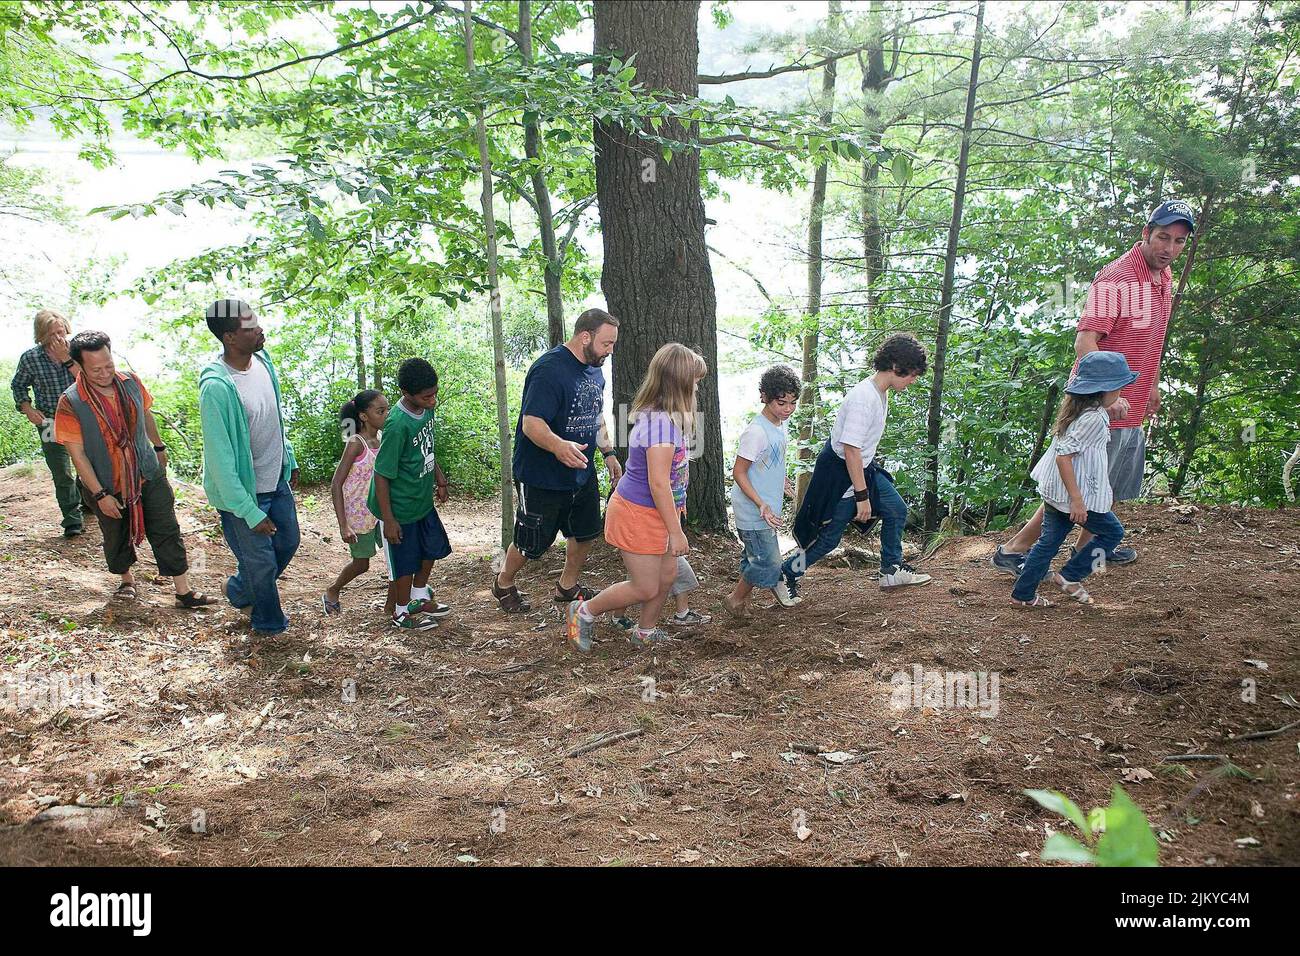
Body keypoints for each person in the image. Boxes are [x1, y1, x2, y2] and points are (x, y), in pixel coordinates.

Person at [993, 200, 1196, 575]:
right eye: (1163, 237)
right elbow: (1086, 343)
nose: (1170, 249)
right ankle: (1013, 549)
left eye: (1179, 241)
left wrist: (1150, 385)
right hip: (1099, 403)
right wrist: (1108, 399)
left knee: (1110, 481)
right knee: (1078, 485)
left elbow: (1153, 338)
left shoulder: (1164, 278)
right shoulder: (1116, 278)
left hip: (1130, 399)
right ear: (1146, 234)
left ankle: (1089, 551)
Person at [53, 331, 215, 608]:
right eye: (96, 369)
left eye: (109, 365)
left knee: (166, 528)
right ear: (79, 366)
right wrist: (100, 494)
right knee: (115, 534)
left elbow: (146, 413)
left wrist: (159, 446)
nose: (105, 373)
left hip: (146, 473)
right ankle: (126, 581)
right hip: (105, 480)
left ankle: (183, 591)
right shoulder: (71, 402)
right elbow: (77, 454)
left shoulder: (130, 382)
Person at [564, 343, 705, 652]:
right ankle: (583, 612)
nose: (697, 385)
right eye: (694, 379)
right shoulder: (661, 425)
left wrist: (675, 516)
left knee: (666, 576)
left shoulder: (667, 417)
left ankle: (645, 630)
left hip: (661, 512)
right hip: (638, 512)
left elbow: (669, 480)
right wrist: (676, 530)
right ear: (679, 381)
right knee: (644, 586)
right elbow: (657, 483)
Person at [781, 333, 932, 600]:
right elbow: (851, 449)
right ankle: (787, 572)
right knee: (827, 540)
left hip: (862, 468)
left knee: (896, 508)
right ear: (896, 366)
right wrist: (862, 497)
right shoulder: (865, 398)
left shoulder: (879, 392)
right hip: (841, 474)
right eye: (912, 374)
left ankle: (891, 569)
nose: (913, 380)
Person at [492, 309, 622, 613]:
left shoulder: (595, 368)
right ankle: (504, 581)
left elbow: (595, 414)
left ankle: (567, 586)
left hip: (581, 469)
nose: (610, 351)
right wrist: (558, 446)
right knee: (532, 541)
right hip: (542, 474)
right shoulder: (549, 370)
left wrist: (609, 453)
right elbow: (531, 423)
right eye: (606, 344)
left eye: (613, 344)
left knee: (585, 531)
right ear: (585, 336)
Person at [199, 299, 300, 636]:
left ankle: (240, 590)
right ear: (229, 337)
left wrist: (289, 457)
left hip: (276, 480)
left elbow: (274, 419)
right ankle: (269, 625)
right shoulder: (216, 388)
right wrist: (248, 511)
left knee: (288, 543)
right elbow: (220, 458)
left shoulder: (263, 362)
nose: (260, 329)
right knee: (261, 562)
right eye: (250, 327)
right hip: (244, 494)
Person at [1011, 352, 1136, 607]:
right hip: (1079, 495)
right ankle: (1071, 575)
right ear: (1105, 389)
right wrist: (1077, 501)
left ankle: (1022, 595)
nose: (1123, 390)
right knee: (1113, 532)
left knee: (1048, 544)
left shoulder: (1082, 410)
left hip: (1058, 492)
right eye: (1119, 385)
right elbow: (1064, 457)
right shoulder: (1091, 418)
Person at [368, 359, 452, 630]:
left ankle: (418, 596)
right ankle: (401, 613)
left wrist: (438, 476)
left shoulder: (426, 409)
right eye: (427, 396)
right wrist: (389, 519)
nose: (433, 400)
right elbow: (381, 473)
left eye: (435, 393)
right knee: (405, 561)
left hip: (421, 501)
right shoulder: (397, 424)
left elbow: (426, 447)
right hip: (398, 507)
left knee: (432, 547)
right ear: (406, 393)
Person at [725, 364, 801, 617]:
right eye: (781, 403)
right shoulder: (756, 431)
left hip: (768, 506)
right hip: (754, 508)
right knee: (767, 561)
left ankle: (746, 596)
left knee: (756, 555)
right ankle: (735, 600)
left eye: (792, 402)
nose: (788, 409)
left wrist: (782, 480)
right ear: (764, 397)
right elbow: (739, 472)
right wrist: (760, 504)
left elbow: (768, 462)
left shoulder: (780, 424)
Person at [10, 309, 84, 537]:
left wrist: (66, 359)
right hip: (49, 421)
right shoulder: (31, 358)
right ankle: (72, 519)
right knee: (61, 471)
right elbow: (18, 385)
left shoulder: (79, 350)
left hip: (82, 419)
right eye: (50, 334)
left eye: (60, 332)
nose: (57, 338)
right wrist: (27, 408)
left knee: (89, 463)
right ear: (40, 335)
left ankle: (89, 501)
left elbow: (90, 381)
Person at [323, 389, 389, 615]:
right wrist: (343, 524)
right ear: (363, 416)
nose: (386, 415)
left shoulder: (382, 439)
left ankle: (399, 602)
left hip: (381, 510)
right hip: (359, 514)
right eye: (381, 411)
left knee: (397, 554)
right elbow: (336, 484)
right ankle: (333, 589)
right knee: (362, 564)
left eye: (387, 409)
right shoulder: (355, 443)